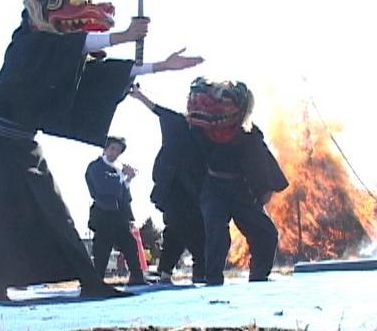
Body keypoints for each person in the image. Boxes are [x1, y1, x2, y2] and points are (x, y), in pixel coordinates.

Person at [0, 0, 204, 303]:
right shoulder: (26, 42)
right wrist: (124, 35)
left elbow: (99, 72)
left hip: (23, 142)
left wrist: (160, 66)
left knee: (55, 209)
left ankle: (89, 280)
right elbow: (72, 45)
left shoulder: (59, 51)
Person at [185, 77, 289, 285]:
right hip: (213, 188)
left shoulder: (248, 134)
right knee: (217, 234)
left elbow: (260, 161)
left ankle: (259, 277)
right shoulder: (202, 127)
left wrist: (263, 189)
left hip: (240, 190)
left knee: (266, 233)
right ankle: (213, 281)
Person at [129, 85, 207, 284]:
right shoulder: (178, 122)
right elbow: (157, 109)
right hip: (174, 190)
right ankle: (195, 274)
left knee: (177, 232)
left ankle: (167, 272)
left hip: (196, 191)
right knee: (186, 231)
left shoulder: (207, 130)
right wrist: (139, 95)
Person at [85, 136, 146, 285]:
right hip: (103, 214)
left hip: (119, 216)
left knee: (130, 246)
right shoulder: (95, 167)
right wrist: (122, 177)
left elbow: (124, 196)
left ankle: (137, 277)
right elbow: (102, 188)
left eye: (118, 150)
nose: (115, 153)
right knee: (102, 249)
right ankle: (97, 280)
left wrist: (127, 180)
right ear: (105, 149)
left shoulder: (117, 171)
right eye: (112, 148)